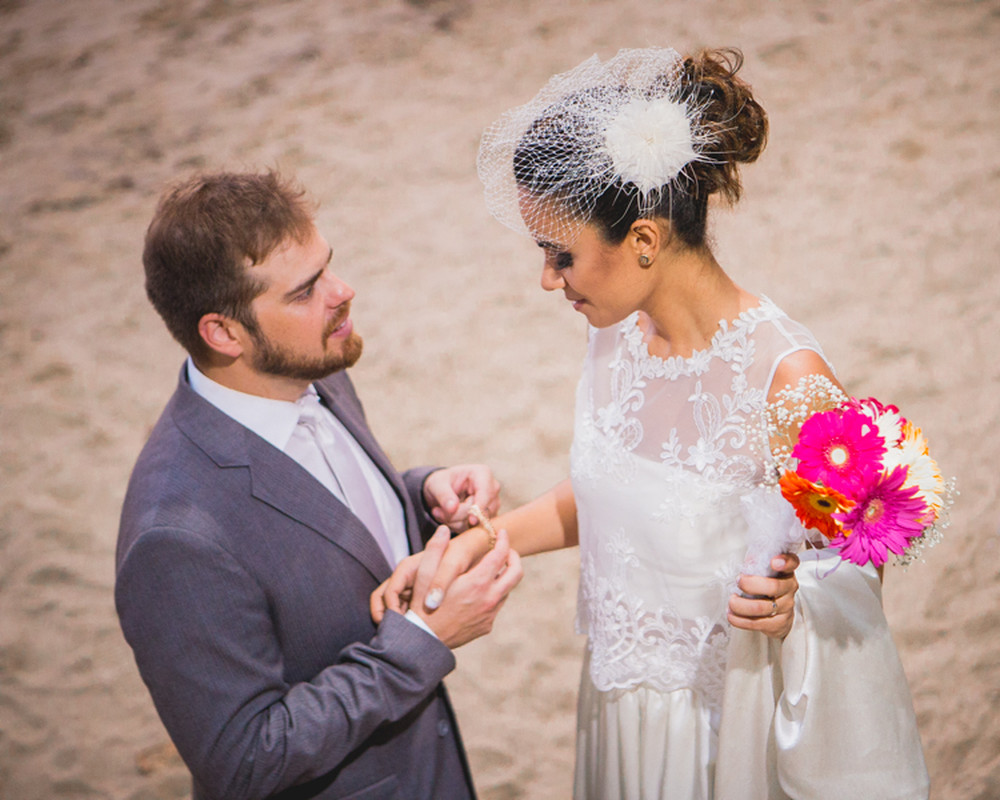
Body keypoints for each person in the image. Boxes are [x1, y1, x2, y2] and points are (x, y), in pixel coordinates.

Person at [379, 47, 929, 799]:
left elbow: (862, 565)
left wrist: (793, 604)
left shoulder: (789, 380)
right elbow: (616, 497)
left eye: (560, 254)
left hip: (721, 721)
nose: (547, 279)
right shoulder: (616, 331)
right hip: (620, 705)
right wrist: (472, 546)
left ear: (643, 241)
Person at [115, 170, 523, 800]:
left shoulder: (314, 369)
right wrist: (419, 642)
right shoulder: (173, 538)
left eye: (328, 267)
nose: (343, 292)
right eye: (305, 291)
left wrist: (422, 496)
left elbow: (324, 519)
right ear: (223, 332)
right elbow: (246, 758)